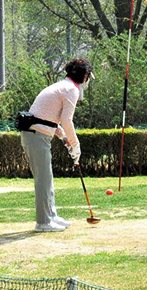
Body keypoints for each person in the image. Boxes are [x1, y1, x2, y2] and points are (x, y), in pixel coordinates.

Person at [18, 58, 94, 232]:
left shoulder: (63, 86)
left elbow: (51, 119)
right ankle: (43, 222)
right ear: (84, 76)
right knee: (43, 180)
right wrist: (76, 145)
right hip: (35, 136)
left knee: (47, 178)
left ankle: (51, 216)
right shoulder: (71, 90)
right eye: (88, 76)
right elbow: (67, 120)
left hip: (38, 135)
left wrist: (64, 138)